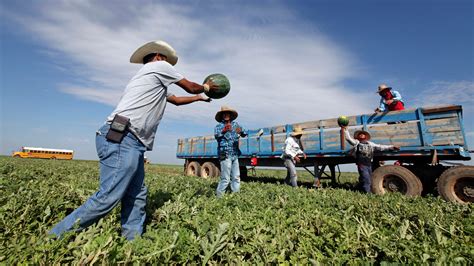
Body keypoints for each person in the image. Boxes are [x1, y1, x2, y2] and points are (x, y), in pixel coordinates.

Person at [49, 40, 218, 240]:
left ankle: (132, 241)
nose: (169, 65)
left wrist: (199, 98)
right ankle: (53, 238)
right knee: (108, 196)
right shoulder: (159, 67)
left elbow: (177, 100)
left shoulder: (151, 81)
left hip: (131, 141)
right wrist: (207, 87)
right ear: (158, 57)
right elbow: (189, 86)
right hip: (123, 137)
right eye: (166, 60)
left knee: (137, 194)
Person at [341, 126, 400, 193]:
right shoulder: (357, 143)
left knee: (368, 178)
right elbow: (348, 139)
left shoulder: (370, 144)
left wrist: (391, 147)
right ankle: (368, 193)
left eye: (363, 134)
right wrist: (346, 130)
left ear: (366, 136)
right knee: (366, 178)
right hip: (362, 164)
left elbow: (380, 147)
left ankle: (361, 189)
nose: (361, 135)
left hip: (369, 164)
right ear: (358, 137)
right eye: (360, 134)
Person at [214, 106, 247, 197]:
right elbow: (216, 135)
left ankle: (235, 195)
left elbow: (244, 133)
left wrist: (242, 131)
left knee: (236, 177)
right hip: (225, 154)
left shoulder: (235, 124)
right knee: (225, 178)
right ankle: (219, 197)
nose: (226, 115)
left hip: (235, 154)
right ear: (222, 116)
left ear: (230, 115)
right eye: (224, 114)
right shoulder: (219, 126)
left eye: (227, 113)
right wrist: (224, 130)